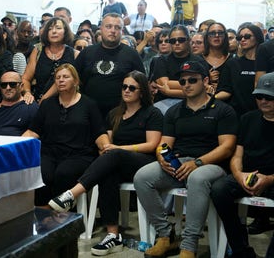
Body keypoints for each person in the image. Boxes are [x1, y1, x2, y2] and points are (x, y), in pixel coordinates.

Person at [49, 71, 163, 256]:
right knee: (107, 173)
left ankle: (72, 193)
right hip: (117, 162)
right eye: (124, 86)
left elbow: (152, 145)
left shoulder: (152, 113)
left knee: (114, 155)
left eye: (132, 88)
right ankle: (113, 235)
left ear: (141, 91)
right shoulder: (115, 114)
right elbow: (106, 144)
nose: (126, 90)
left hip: (144, 163)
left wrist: (120, 149)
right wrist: (108, 149)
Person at [134, 61, 238, 258]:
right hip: (180, 163)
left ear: (205, 80)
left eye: (192, 80)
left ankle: (189, 246)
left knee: (197, 178)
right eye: (182, 81)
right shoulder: (174, 111)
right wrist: (162, 156)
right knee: (142, 176)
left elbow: (227, 147)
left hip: (211, 165)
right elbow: (164, 144)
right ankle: (166, 235)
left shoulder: (222, 110)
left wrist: (197, 163)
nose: (187, 84)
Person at [22, 63, 110, 206]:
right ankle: (43, 212)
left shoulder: (89, 104)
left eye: (65, 77)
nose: (61, 80)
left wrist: (106, 147)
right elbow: (33, 131)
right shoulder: (47, 104)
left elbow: (99, 132)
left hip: (79, 154)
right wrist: (15, 145)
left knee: (63, 173)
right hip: (50, 153)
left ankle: (60, 214)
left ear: (75, 81)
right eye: (58, 78)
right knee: (43, 173)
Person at [210, 72, 274, 258]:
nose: (263, 101)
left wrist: (269, 179)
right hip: (248, 174)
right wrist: (239, 175)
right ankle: (240, 249)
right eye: (259, 96)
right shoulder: (247, 119)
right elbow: (237, 155)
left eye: (269, 97)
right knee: (219, 189)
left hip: (272, 178)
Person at [74, 13, 144, 117]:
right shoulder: (87, 52)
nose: (113, 30)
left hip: (122, 114)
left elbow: (142, 85)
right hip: (88, 112)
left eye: (117, 27)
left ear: (122, 31)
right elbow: (74, 79)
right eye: (108, 26)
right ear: (101, 29)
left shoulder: (132, 55)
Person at [22, 17, 78, 103]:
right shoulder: (38, 51)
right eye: (50, 29)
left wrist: (44, 99)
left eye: (58, 28)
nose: (54, 31)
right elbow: (25, 78)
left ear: (65, 31)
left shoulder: (74, 54)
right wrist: (27, 93)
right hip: (37, 101)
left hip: (64, 103)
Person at [151, 25, 205, 114]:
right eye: (172, 41)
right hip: (164, 103)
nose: (177, 43)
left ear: (189, 40)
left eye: (181, 40)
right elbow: (165, 84)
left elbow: (201, 89)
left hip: (193, 103)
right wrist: (192, 86)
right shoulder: (161, 60)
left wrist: (169, 91)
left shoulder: (199, 61)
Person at [216, 23, 264, 117]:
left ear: (257, 37)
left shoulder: (266, 63)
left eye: (247, 36)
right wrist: (209, 98)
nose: (242, 39)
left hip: (262, 113)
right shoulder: (232, 63)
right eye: (239, 37)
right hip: (236, 113)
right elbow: (226, 90)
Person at [0, 70, 38, 136]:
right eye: (4, 85)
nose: (8, 88)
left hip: (17, 145)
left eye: (12, 84)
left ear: (21, 86)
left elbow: (34, 132)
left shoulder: (30, 107)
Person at [202, 22, 231, 93]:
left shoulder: (233, 59)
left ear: (225, 36)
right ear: (207, 37)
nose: (217, 35)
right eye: (212, 33)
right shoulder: (198, 60)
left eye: (220, 33)